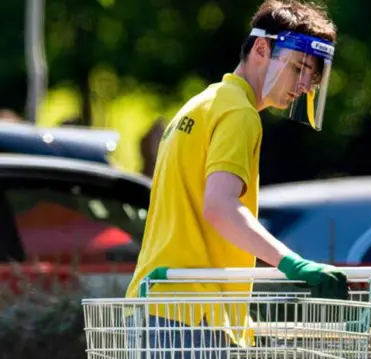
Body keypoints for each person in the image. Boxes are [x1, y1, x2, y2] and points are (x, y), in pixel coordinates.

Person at [124, 0, 345, 358]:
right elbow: (220, 207)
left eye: (314, 76)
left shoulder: (201, 103)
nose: (305, 85)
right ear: (262, 48)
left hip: (156, 304)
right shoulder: (240, 114)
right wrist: (294, 263)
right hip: (192, 315)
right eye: (300, 67)